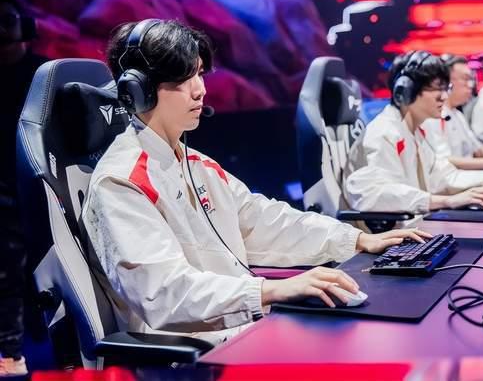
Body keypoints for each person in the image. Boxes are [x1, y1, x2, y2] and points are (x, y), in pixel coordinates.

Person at [81, 19, 429, 347]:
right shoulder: (121, 181)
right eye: (183, 78)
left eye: (199, 74)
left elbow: (265, 220)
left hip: (239, 332)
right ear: (138, 90)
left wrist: (356, 240)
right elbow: (164, 293)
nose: (200, 90)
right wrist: (269, 291)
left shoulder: (196, 164)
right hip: (191, 355)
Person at [342, 51, 483, 214]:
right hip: (391, 235)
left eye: (445, 88)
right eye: (436, 89)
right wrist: (445, 201)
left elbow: (445, 176)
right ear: (406, 91)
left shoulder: (414, 130)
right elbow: (373, 194)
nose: (444, 97)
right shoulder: (384, 133)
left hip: (417, 223)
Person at [0, 0, 48, 377]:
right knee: (7, 277)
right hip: (4, 197)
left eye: (7, 21)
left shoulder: (44, 75)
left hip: (42, 188)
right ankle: (11, 357)